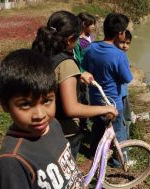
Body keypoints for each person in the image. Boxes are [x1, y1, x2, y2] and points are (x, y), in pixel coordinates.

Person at [32, 10, 117, 159]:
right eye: (77, 38)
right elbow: (72, 108)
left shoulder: (41, 52)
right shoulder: (66, 64)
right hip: (64, 132)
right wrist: (105, 109)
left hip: (43, 125)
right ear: (70, 39)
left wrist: (77, 74)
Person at [0, 49, 84, 189]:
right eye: (25, 104)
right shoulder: (12, 160)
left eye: (47, 101)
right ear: (5, 105)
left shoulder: (54, 124)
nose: (40, 115)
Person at [82, 13, 133, 159]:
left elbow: (84, 68)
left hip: (95, 100)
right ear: (120, 34)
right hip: (112, 103)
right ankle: (121, 161)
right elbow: (126, 78)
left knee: (97, 129)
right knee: (119, 131)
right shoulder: (119, 55)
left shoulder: (91, 48)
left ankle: (94, 155)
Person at [115, 30, 133, 138]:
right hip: (119, 94)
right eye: (122, 42)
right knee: (122, 119)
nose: (125, 46)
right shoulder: (119, 56)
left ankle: (125, 139)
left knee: (125, 118)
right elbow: (126, 78)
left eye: (128, 43)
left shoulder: (122, 55)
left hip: (123, 92)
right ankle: (123, 145)